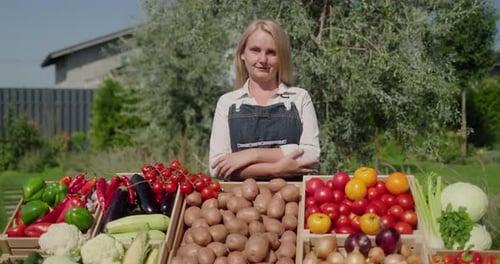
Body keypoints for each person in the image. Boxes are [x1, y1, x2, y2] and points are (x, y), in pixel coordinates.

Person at [209, 19, 320, 181]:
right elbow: (217, 167)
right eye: (255, 50)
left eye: (271, 52)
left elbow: (311, 156)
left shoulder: (299, 98)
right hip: (239, 202)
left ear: (281, 57)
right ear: (242, 54)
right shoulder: (227, 103)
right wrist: (275, 169)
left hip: (292, 200)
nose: (263, 59)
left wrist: (251, 155)